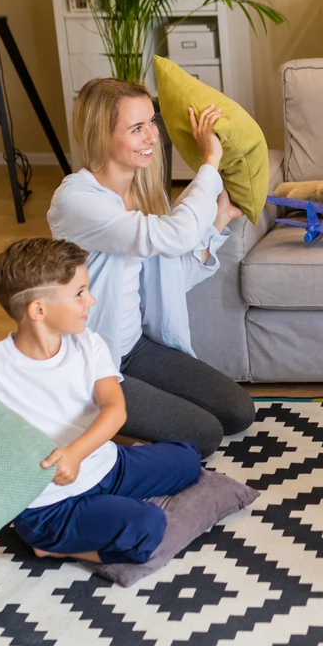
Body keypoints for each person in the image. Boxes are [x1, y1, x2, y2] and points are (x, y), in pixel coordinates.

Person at [48, 78, 254, 458]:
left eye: (151, 124)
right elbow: (176, 236)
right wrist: (209, 164)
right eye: (136, 128)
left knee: (237, 411)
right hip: (96, 360)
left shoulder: (145, 192)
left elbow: (172, 275)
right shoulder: (78, 201)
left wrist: (220, 218)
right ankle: (100, 432)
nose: (152, 137)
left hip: (135, 348)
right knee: (204, 435)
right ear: (101, 135)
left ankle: (122, 418)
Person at [0, 237, 202, 565]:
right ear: (38, 310)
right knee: (148, 526)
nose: (91, 300)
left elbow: (114, 407)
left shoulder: (87, 342)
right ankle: (48, 544)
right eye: (79, 293)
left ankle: (106, 503)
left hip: (104, 464)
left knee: (189, 459)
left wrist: (77, 453)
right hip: (51, 503)